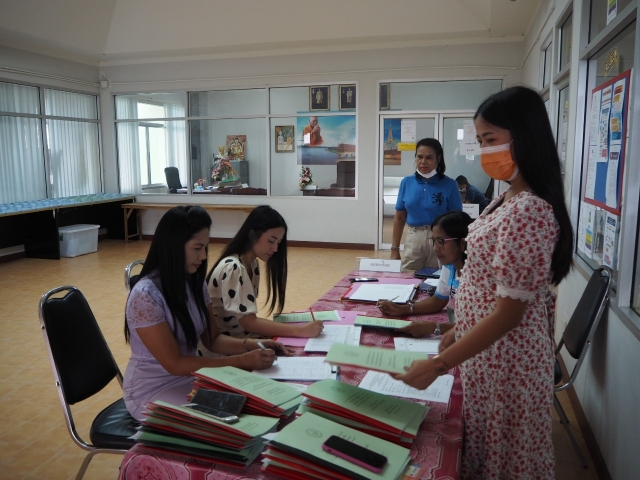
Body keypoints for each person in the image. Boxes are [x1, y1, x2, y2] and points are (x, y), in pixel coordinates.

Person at [394, 86, 574, 479]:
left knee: (504, 460)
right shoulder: (507, 197)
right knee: (484, 452)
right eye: (480, 141)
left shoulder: (530, 209)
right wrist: (459, 328)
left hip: (508, 363)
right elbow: (490, 282)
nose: (484, 151)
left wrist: (438, 365)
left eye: (491, 139)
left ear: (524, 136)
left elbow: (509, 314)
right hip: (487, 354)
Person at [123, 206, 291, 420]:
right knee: (229, 422)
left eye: (206, 247)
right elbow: (175, 364)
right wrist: (241, 360)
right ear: (173, 246)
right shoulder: (146, 295)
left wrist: (254, 344)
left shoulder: (194, 282)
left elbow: (212, 339)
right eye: (197, 248)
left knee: (259, 404)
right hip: (152, 390)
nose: (203, 256)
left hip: (191, 376)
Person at [207, 205, 324, 340]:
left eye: (278, 243)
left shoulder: (252, 264)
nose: (275, 248)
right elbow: (249, 323)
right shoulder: (233, 267)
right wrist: (300, 331)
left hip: (241, 339)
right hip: (228, 344)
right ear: (252, 234)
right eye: (271, 241)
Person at [377, 210, 472, 337]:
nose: (435, 248)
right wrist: (401, 309)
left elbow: (476, 327)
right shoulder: (450, 266)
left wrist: (434, 328)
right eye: (434, 241)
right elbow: (438, 300)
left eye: (441, 242)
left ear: (462, 243)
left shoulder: (478, 275)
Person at [390, 138, 463, 271]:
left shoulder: (450, 184)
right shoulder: (406, 182)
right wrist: (394, 249)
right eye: (420, 157)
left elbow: (457, 220)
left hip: (441, 239)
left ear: (438, 159)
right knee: (409, 275)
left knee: (438, 277)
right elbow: (399, 218)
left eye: (429, 157)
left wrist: (456, 248)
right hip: (414, 237)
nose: (423, 161)